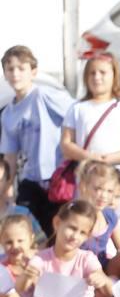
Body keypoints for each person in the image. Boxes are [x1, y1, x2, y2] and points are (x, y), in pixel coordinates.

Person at [15, 200, 120, 297]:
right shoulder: (42, 258)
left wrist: (103, 280)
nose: (75, 236)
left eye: (82, 233)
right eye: (72, 228)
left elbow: (109, 291)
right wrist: (27, 275)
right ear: (57, 223)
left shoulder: (87, 258)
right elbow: (20, 288)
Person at [61, 54, 120, 213]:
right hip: (87, 179)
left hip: (115, 179)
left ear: (114, 75)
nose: (97, 77)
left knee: (112, 222)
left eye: (102, 72)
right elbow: (66, 144)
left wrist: (109, 159)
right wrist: (90, 156)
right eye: (92, 73)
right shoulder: (77, 108)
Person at [1, 45, 73, 228]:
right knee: (26, 229)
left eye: (21, 68)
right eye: (10, 69)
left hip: (57, 177)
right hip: (30, 179)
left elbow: (77, 114)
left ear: (33, 72)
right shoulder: (8, 113)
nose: (15, 74)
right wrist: (6, 187)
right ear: (5, 74)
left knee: (56, 229)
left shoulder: (44, 96)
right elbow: (10, 155)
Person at [73, 162, 120, 274]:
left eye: (109, 191)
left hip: (102, 269)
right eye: (98, 189)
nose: (104, 196)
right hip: (77, 269)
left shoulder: (109, 215)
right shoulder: (74, 214)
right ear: (83, 186)